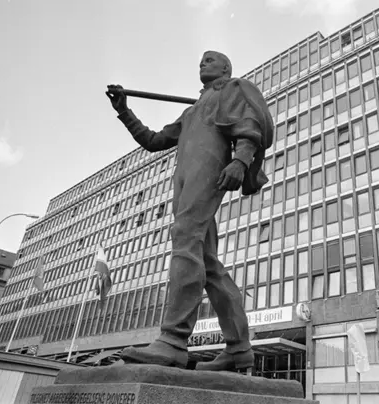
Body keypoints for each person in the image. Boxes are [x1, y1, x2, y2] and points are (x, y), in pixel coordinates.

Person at [105, 50, 273, 371]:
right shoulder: (191, 111)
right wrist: (124, 111)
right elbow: (154, 140)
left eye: (210, 60)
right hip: (184, 181)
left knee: (184, 238)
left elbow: (248, 126)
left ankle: (173, 339)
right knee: (208, 263)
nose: (203, 63)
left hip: (209, 172)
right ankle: (239, 347)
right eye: (201, 61)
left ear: (225, 67)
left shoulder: (231, 89)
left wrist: (240, 161)